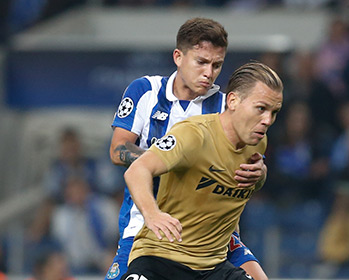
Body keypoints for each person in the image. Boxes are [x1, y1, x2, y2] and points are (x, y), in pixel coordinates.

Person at [106, 18, 267, 280]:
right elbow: (118, 150)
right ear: (178, 57)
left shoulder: (227, 108)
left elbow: (251, 169)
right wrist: (174, 160)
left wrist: (259, 173)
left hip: (213, 235)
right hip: (147, 226)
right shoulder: (145, 91)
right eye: (201, 62)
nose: (209, 72)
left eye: (217, 65)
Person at [121, 61, 283, 280]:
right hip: (162, 259)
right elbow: (137, 170)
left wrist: (261, 176)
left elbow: (245, 183)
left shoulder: (257, 142)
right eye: (261, 109)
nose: (267, 121)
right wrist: (152, 214)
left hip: (212, 266)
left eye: (274, 112)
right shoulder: (194, 135)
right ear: (233, 101)